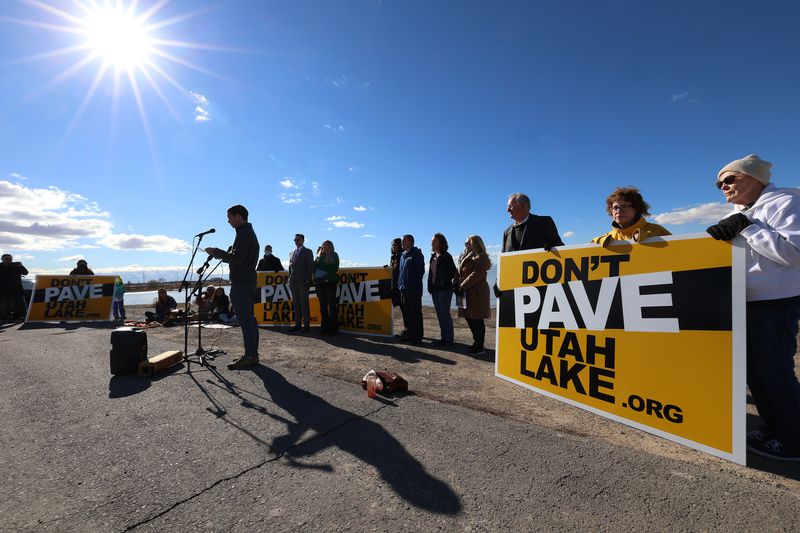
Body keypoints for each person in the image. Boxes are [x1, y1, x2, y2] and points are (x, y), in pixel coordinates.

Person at [705, 154, 800, 462]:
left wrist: (747, 228)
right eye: (719, 183)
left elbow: (794, 253)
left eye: (730, 179)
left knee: (775, 371)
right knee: (755, 373)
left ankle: (794, 439)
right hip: (742, 301)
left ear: (755, 178)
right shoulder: (739, 212)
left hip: (775, 303)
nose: (723, 186)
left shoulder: (787, 201)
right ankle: (774, 428)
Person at [205, 204, 260, 370]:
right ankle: (252, 354)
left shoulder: (244, 234)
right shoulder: (246, 233)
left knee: (246, 321)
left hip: (242, 284)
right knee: (250, 320)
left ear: (238, 216)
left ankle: (250, 355)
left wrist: (216, 252)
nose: (228, 221)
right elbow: (240, 257)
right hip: (247, 282)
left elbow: (239, 258)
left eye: (229, 217)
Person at [495, 193, 563, 297]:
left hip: (542, 291)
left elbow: (562, 252)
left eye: (510, 206)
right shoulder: (506, 233)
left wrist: (553, 247)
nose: (507, 210)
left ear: (522, 206)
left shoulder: (544, 223)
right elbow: (503, 261)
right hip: (515, 292)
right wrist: (498, 281)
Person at [592, 187, 671, 246]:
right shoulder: (608, 238)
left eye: (624, 206)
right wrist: (596, 243)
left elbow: (678, 251)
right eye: (615, 207)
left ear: (636, 209)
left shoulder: (657, 230)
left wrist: (651, 239)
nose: (618, 211)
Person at [457, 235, 492, 355]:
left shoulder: (482, 258)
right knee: (468, 317)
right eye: (465, 244)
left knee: (476, 319)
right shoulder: (464, 257)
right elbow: (460, 272)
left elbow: (475, 275)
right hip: (465, 292)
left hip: (477, 293)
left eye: (468, 243)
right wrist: (456, 284)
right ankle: (476, 343)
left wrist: (461, 286)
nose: (466, 246)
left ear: (476, 244)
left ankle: (479, 346)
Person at [427, 233, 457, 346]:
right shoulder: (433, 256)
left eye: (434, 241)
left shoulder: (446, 256)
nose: (432, 243)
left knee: (445, 313)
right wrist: (430, 286)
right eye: (432, 241)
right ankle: (443, 338)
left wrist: (443, 281)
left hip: (445, 290)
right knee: (439, 314)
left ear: (440, 243)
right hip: (435, 290)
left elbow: (453, 272)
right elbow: (431, 274)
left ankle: (449, 339)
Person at [398, 234, 425, 344]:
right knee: (407, 314)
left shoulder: (417, 254)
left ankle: (417, 337)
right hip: (403, 289)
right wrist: (400, 285)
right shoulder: (403, 255)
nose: (402, 244)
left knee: (415, 314)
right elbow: (401, 272)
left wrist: (410, 285)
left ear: (410, 242)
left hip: (413, 290)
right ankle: (409, 334)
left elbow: (420, 272)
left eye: (404, 241)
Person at [288, 233, 314, 332]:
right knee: (296, 304)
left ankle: (306, 325)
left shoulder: (307, 251)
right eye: (295, 240)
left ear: (303, 240)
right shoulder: (292, 252)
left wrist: (308, 280)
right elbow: (290, 268)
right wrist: (289, 279)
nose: (296, 241)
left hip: (303, 282)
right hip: (293, 282)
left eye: (298, 240)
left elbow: (310, 266)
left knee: (304, 304)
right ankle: (297, 324)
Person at [313, 240, 340, 335]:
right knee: (323, 306)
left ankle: (333, 328)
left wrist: (325, 277)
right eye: (323, 245)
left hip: (330, 283)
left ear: (330, 246)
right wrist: (317, 254)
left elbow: (334, 268)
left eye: (326, 245)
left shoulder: (334, 255)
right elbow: (314, 266)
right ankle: (324, 328)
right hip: (319, 283)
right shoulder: (320, 256)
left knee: (332, 306)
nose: (324, 246)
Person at [0, 254, 29, 321]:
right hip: (3, 289)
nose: (8, 260)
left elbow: (25, 273)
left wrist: (21, 266)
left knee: (20, 304)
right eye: (6, 258)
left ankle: (21, 316)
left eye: (10, 259)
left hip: (17, 288)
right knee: (5, 305)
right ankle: (5, 317)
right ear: (2, 259)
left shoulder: (16, 265)